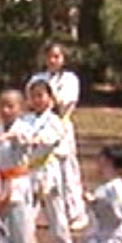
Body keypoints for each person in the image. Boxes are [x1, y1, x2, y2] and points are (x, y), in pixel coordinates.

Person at [0, 89, 41, 243]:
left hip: (18, 183)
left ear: (20, 109)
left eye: (10, 106)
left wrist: (12, 136)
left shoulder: (26, 128)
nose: (5, 110)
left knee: (23, 233)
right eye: (2, 106)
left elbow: (25, 141)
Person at [33, 43, 86, 229]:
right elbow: (33, 100)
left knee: (67, 171)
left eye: (57, 56)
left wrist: (49, 98)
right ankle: (39, 213)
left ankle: (76, 213)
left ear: (63, 59)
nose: (53, 60)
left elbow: (64, 104)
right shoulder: (37, 78)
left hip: (61, 125)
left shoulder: (70, 79)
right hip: (40, 126)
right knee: (39, 168)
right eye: (50, 56)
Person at [23, 78, 74, 243]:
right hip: (29, 169)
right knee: (27, 207)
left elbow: (52, 139)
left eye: (40, 95)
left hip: (48, 168)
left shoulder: (55, 121)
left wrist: (38, 140)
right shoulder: (25, 119)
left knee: (55, 208)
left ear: (50, 98)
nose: (36, 100)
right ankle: (24, 241)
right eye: (33, 96)